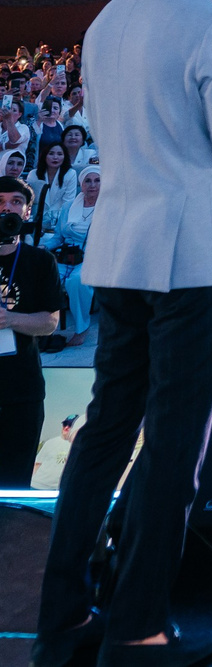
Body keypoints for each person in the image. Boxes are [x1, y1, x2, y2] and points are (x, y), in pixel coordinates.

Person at [37, 0, 212, 667]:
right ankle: (138, 625)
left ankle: (66, 616)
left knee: (105, 431)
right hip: (193, 256)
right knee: (174, 442)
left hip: (122, 248)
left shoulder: (106, 19)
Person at [0, 175, 62, 487]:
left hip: (20, 391)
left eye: (15, 202)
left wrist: (9, 319)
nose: (6, 208)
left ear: (27, 212)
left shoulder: (41, 261)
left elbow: (50, 323)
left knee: (13, 485)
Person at [48, 169, 101, 347]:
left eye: (97, 180)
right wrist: (41, 249)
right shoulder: (68, 206)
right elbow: (57, 237)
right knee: (44, 274)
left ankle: (81, 329)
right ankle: (43, 325)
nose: (92, 185)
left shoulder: (108, 207)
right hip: (67, 255)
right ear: (81, 184)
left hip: (93, 256)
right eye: (88, 181)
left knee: (77, 280)